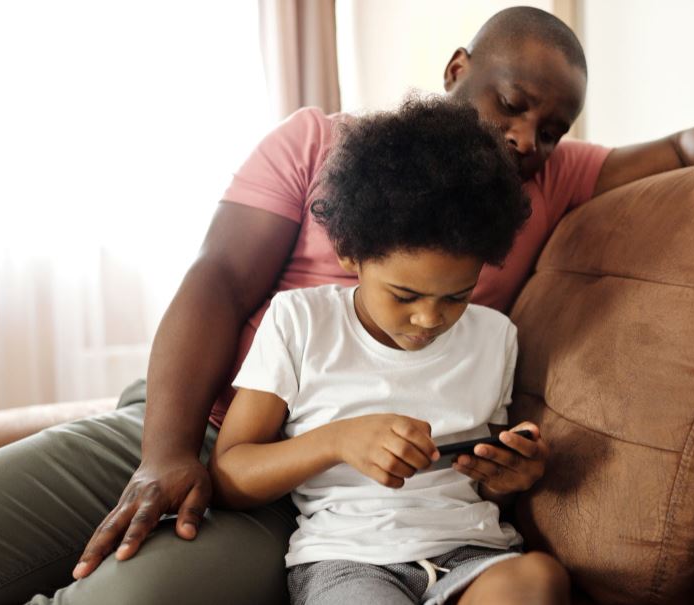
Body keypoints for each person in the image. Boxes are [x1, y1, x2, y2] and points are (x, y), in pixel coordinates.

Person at [0, 6, 694, 605]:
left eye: (551, 130)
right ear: (458, 69)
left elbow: (675, 147)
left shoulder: (542, 182)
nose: (524, 139)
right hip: (195, 415)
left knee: (126, 595)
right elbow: (217, 281)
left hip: (327, 501)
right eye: (510, 106)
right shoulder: (317, 141)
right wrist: (162, 451)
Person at [211, 96, 567, 605]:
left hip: (471, 551)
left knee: (539, 579)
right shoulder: (299, 321)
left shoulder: (495, 336)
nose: (430, 319)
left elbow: (482, 485)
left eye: (456, 296)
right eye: (404, 295)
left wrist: (509, 478)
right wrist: (337, 440)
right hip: (348, 559)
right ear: (350, 253)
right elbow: (229, 476)